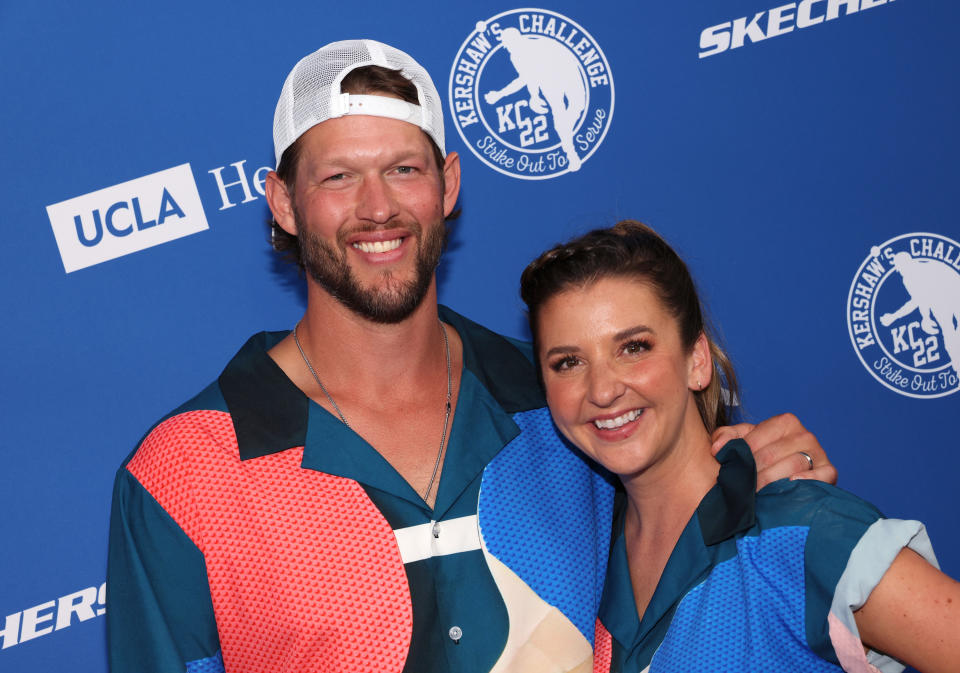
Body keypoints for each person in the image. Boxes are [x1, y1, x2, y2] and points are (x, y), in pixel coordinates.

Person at [107, 41, 835, 673]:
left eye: (403, 169)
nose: (378, 207)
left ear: (448, 185)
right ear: (284, 203)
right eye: (337, 177)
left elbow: (689, 524)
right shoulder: (183, 473)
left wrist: (761, 473)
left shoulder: (567, 402)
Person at [520, 220, 960, 673]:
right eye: (568, 362)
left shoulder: (802, 531)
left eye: (633, 347)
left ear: (697, 361)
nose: (603, 389)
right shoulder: (581, 564)